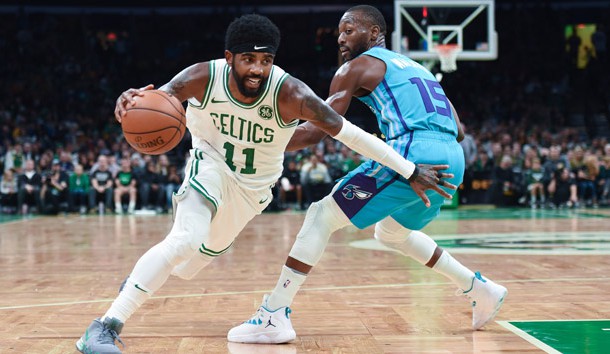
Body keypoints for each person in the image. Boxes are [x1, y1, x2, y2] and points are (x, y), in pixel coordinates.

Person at [75, 14, 454, 354]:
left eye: (266, 60)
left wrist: (407, 169)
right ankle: (104, 327)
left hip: (253, 191)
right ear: (229, 58)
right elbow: (159, 99)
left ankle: (143, 276)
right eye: (248, 59)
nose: (258, 68)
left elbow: (350, 134)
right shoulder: (201, 77)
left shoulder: (291, 92)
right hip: (210, 166)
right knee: (184, 240)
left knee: (188, 265)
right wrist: (131, 99)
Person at [225, 6, 507, 344]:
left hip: (414, 152)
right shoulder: (417, 67)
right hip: (452, 157)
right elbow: (459, 129)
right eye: (339, 33)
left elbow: (320, 129)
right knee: (391, 234)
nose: (341, 39)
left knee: (321, 215)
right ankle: (478, 287)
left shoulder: (354, 67)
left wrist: (259, 142)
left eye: (349, 30)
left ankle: (273, 314)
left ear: (374, 34)